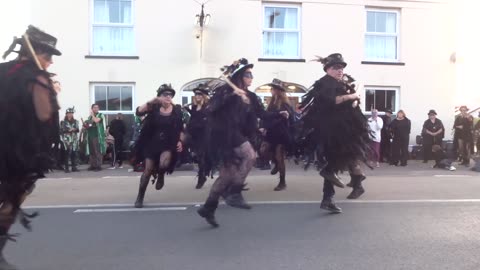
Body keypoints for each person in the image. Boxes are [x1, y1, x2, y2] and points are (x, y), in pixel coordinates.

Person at [197, 58, 289, 227]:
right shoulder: (225, 91)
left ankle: (208, 207)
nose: (251, 77)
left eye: (252, 74)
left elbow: (262, 114)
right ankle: (235, 193)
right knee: (250, 155)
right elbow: (211, 109)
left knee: (226, 176)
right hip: (224, 134)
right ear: (239, 76)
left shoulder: (251, 96)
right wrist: (232, 94)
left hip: (238, 134)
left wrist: (279, 114)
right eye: (248, 74)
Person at [0, 25, 61, 269]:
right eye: (47, 56)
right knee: (13, 199)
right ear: (33, 51)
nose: (49, 62)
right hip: (17, 152)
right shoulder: (37, 78)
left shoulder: (2, 70)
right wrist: (52, 94)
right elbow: (44, 115)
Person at [299, 53, 372, 213]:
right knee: (340, 158)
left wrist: (354, 101)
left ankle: (330, 197)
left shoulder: (338, 83)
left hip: (342, 129)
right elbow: (333, 100)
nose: (340, 70)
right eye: (336, 68)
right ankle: (348, 182)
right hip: (331, 130)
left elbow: (347, 103)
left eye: (341, 67)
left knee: (343, 158)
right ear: (327, 69)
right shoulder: (324, 83)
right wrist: (351, 96)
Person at [133, 84, 185, 208]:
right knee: (147, 171)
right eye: (165, 94)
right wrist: (152, 100)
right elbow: (138, 112)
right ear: (159, 96)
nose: (168, 97)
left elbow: (181, 129)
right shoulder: (154, 107)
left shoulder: (177, 110)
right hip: (151, 143)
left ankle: (161, 174)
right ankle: (140, 197)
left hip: (168, 143)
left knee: (163, 164)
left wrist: (180, 141)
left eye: (170, 95)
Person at [259, 79, 295, 191]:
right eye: (272, 88)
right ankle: (274, 162)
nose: (272, 90)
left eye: (274, 88)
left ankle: (282, 182)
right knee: (263, 150)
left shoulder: (285, 103)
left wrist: (284, 117)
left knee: (280, 157)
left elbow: (289, 118)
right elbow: (266, 115)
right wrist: (263, 126)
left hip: (281, 134)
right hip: (270, 133)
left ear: (279, 91)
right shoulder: (271, 103)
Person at [184, 84, 210, 189]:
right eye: (196, 94)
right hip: (194, 136)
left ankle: (201, 177)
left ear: (204, 96)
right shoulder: (195, 107)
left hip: (204, 136)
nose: (197, 96)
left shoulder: (207, 107)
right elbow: (195, 117)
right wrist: (188, 109)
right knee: (198, 157)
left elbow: (203, 121)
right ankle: (202, 175)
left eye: (199, 94)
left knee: (202, 157)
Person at [83, 104, 106, 171]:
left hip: (97, 136)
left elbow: (96, 121)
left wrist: (92, 115)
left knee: (97, 151)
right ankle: (93, 165)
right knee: (92, 151)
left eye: (97, 107)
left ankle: (98, 166)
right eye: (94, 107)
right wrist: (85, 125)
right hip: (90, 135)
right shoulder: (90, 117)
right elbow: (88, 124)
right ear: (92, 108)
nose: (96, 108)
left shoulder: (100, 115)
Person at [60, 107, 80, 173]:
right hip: (66, 140)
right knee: (67, 153)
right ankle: (67, 168)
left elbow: (77, 129)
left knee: (74, 153)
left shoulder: (76, 121)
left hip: (74, 139)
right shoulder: (63, 122)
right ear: (66, 114)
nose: (70, 114)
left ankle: (74, 167)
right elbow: (62, 130)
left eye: (71, 113)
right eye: (68, 113)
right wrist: (69, 130)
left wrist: (73, 130)